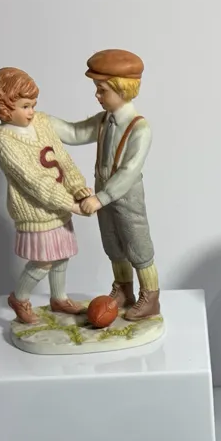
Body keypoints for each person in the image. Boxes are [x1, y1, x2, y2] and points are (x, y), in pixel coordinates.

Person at [48, 49, 160, 322]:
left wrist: (100, 198)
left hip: (125, 196)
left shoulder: (139, 128)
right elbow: (74, 132)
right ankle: (123, 290)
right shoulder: (102, 121)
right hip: (103, 194)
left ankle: (150, 297)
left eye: (102, 89)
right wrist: (41, 120)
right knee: (113, 244)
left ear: (122, 89)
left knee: (137, 245)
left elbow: (129, 171)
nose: (96, 95)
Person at [0, 67, 91, 325]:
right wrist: (71, 203)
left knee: (61, 254)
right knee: (42, 261)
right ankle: (19, 298)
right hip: (37, 211)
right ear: (5, 108)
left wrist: (78, 187)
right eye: (25, 106)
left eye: (33, 105)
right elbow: (33, 180)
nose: (31, 112)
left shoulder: (40, 122)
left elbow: (62, 158)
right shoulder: (4, 140)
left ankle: (59, 298)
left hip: (59, 206)